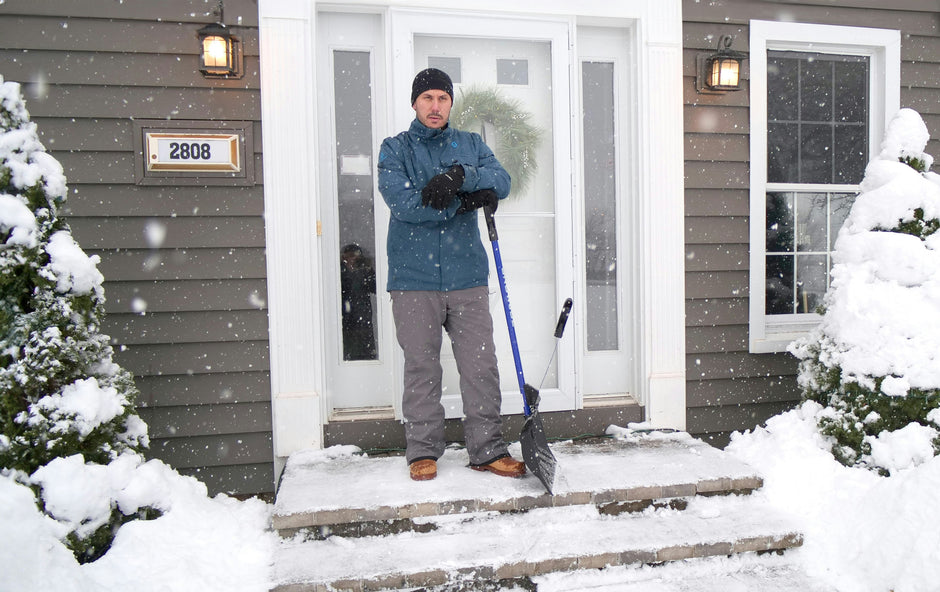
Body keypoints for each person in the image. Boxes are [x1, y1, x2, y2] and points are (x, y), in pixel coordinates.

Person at [377, 67, 525, 482]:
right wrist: (461, 204)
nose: (436, 106)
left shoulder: (471, 144)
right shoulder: (395, 149)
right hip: (412, 278)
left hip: (467, 276)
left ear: (450, 104)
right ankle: (422, 451)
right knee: (421, 367)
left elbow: (502, 181)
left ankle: (488, 448)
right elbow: (404, 205)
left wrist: (462, 175)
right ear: (415, 103)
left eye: (443, 98)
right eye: (428, 98)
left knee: (480, 366)